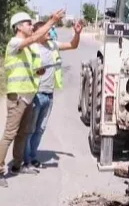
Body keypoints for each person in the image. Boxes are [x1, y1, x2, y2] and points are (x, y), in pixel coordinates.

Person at [0, 9, 65, 187]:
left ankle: (17, 165)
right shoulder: (14, 43)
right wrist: (51, 20)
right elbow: (32, 39)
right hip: (17, 96)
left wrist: (37, 71)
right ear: (17, 27)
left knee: (23, 133)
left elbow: (25, 68)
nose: (31, 26)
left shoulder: (26, 49)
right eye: (28, 23)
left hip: (28, 96)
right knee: (9, 134)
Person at [24, 20, 84, 168]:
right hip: (36, 94)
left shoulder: (52, 45)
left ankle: (32, 156)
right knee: (30, 130)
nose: (50, 33)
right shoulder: (31, 48)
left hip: (49, 95)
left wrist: (77, 34)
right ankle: (25, 160)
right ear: (38, 33)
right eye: (47, 31)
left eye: (50, 30)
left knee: (40, 129)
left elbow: (72, 45)